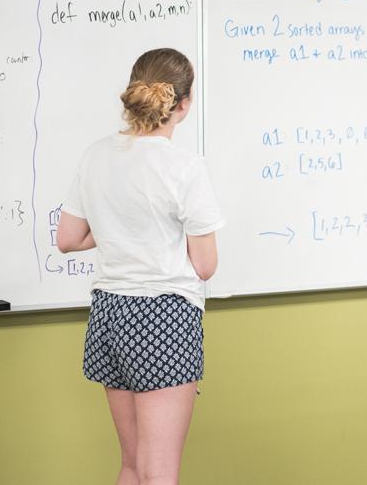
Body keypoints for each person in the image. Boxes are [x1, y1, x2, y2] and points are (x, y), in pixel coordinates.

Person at [56, 47, 224, 485]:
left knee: (132, 466)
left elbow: (68, 239)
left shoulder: (95, 155)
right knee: (161, 473)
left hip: (110, 314)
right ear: (183, 105)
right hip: (163, 316)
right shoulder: (185, 167)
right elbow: (205, 265)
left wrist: (117, 227)